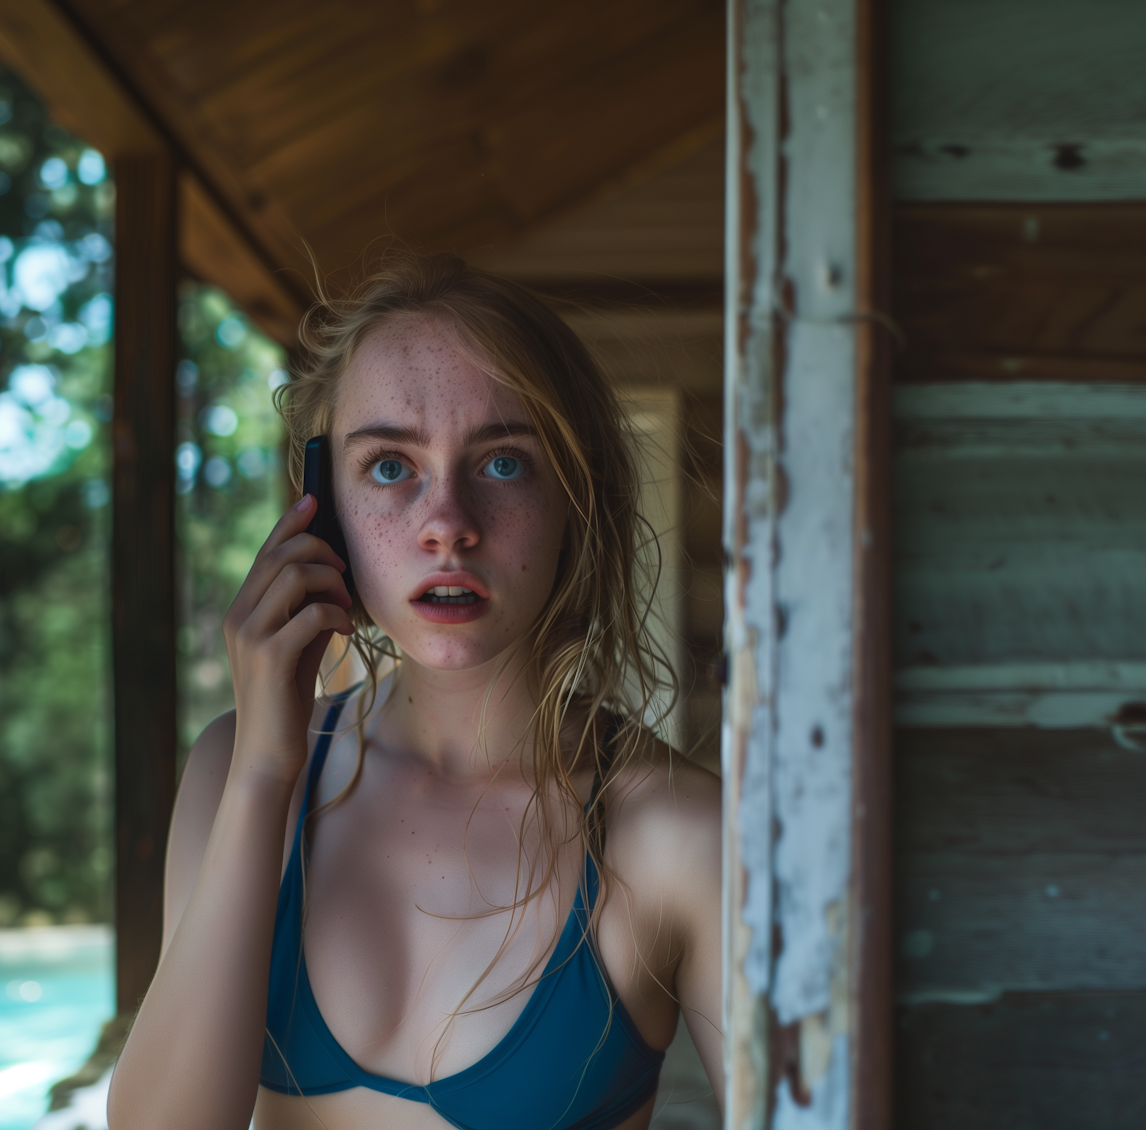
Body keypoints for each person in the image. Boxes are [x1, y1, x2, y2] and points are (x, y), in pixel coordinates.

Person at [107, 253, 723, 1130]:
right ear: (322, 506)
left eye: (504, 463)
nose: (447, 525)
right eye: (391, 467)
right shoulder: (234, 770)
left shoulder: (675, 835)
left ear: (577, 498)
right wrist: (261, 776)